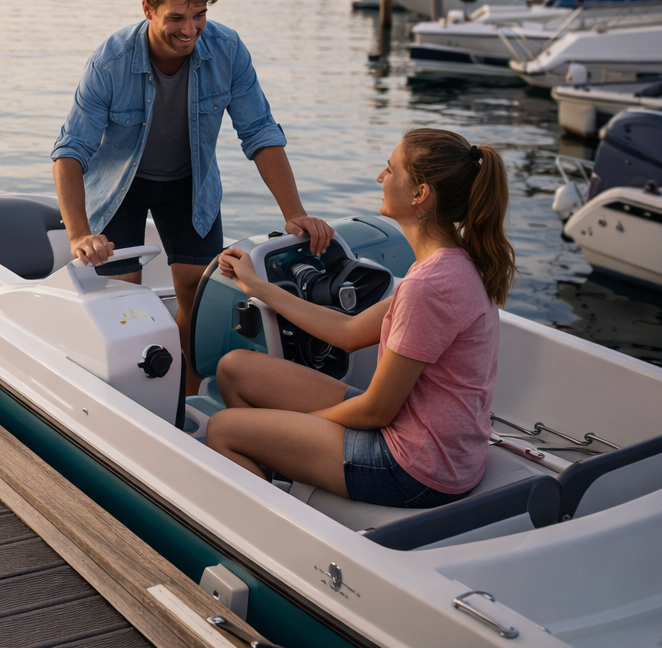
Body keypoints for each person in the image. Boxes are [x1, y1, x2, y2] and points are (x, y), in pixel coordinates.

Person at [51, 0, 334, 392]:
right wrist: (79, 234)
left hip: (190, 184)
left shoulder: (228, 50)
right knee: (124, 303)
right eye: (177, 17)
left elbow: (259, 131)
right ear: (148, 9)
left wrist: (293, 211)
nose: (190, 30)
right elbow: (70, 152)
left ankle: (184, 393)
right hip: (119, 189)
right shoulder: (108, 62)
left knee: (196, 296)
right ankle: (126, 394)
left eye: (199, 15)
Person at [205, 129, 517, 509]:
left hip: (414, 466)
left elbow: (376, 410)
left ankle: (284, 530)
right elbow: (348, 332)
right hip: (427, 439)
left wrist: (314, 423)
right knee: (235, 369)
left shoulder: (429, 287)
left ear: (421, 195)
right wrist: (257, 286)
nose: (380, 178)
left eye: (391, 170)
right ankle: (276, 468)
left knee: (221, 431)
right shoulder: (453, 264)